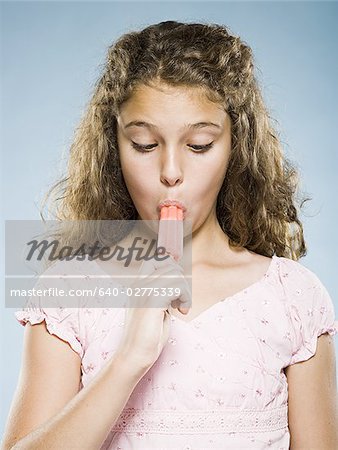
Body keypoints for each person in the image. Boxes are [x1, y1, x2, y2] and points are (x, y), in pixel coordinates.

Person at [2, 20, 337, 450]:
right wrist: (129, 359)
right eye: (144, 144)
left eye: (198, 145)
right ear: (113, 146)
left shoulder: (294, 299)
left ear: (236, 146)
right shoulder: (69, 292)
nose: (171, 172)